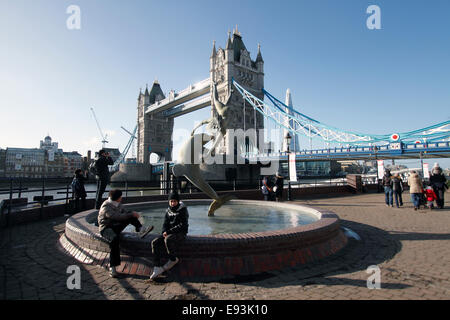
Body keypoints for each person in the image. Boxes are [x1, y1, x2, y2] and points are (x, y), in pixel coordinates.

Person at [98, 189, 153, 278]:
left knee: (131, 214)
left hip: (115, 226)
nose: (121, 198)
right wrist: (130, 214)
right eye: (121, 196)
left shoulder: (118, 204)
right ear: (118, 198)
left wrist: (132, 214)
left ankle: (141, 229)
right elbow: (117, 217)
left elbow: (125, 213)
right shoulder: (106, 207)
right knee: (114, 240)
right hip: (106, 228)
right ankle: (113, 267)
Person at [149, 191, 189, 281]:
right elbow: (165, 223)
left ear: (178, 201)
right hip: (169, 232)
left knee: (168, 240)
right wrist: (164, 231)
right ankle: (157, 267)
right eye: (171, 201)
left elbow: (183, 225)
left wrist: (169, 231)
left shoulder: (183, 210)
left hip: (180, 233)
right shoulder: (168, 210)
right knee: (154, 242)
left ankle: (173, 259)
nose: (172, 203)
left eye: (174, 201)